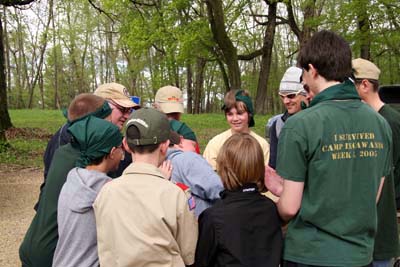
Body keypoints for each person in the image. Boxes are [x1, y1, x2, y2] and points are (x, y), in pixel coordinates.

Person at [265, 30, 392, 267]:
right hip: (359, 255)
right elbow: (372, 195)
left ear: (312, 70)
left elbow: (290, 208)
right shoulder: (380, 124)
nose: (303, 81)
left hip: (310, 255)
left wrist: (280, 197)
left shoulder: (299, 125)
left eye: (303, 73)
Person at [19, 94, 116, 267]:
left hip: (33, 243)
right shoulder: (87, 163)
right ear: (92, 126)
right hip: (53, 253)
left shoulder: (63, 151)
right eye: (107, 124)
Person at [93, 108, 198, 267]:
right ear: (164, 146)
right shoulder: (177, 195)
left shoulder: (106, 192)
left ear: (126, 145)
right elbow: (188, 254)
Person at [37, 82, 138, 210]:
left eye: (129, 111)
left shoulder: (103, 137)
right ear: (102, 107)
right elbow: (63, 188)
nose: (127, 116)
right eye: (122, 109)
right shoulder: (70, 135)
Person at [195, 133, 283, 267]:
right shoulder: (271, 208)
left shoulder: (213, 217)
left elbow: (202, 261)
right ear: (259, 167)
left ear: (223, 168)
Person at [52, 116, 123, 267]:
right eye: (120, 148)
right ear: (112, 152)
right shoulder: (108, 190)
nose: (122, 155)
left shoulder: (73, 179)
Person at [352, 58, 400, 267]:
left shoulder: (389, 121)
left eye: (350, 83)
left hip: (383, 217)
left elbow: (392, 171)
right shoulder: (368, 119)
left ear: (364, 85)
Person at [167, 119, 224, 216]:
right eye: (193, 145)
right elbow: (219, 189)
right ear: (180, 140)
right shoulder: (188, 159)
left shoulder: (159, 164)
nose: (195, 150)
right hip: (203, 226)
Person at [203, 89, 270, 171]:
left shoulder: (261, 144)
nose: (235, 119)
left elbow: (265, 175)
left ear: (249, 114)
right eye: (230, 114)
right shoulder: (215, 144)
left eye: (240, 113)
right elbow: (208, 175)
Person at [268, 66, 309, 169]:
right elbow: (274, 166)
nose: (286, 101)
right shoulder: (277, 126)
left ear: (305, 94)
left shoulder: (320, 121)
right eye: (282, 96)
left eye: (291, 96)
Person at [154, 85, 201, 153]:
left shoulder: (186, 134)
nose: (172, 119)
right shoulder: (187, 133)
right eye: (167, 113)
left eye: (175, 113)